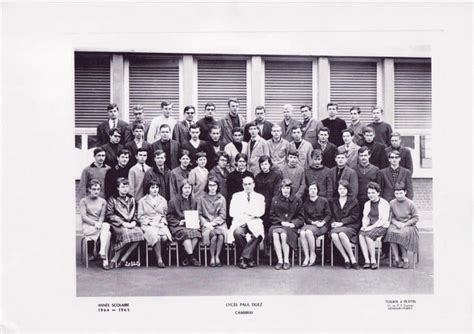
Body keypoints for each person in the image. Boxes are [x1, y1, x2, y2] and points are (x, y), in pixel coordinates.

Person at [228, 176, 265, 269]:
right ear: (242, 185)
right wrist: (246, 217)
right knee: (237, 232)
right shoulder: (236, 196)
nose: (247, 186)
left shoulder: (259, 197)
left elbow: (260, 212)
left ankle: (243, 258)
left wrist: (247, 215)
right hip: (240, 222)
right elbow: (232, 212)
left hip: (254, 222)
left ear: (254, 185)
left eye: (249, 184)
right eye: (245, 184)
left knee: (259, 235)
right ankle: (249, 258)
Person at [107, 178, 144, 269]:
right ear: (118, 188)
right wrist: (123, 223)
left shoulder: (132, 199)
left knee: (140, 233)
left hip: (131, 223)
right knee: (127, 233)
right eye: (123, 187)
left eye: (127, 187)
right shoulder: (112, 199)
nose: (125, 189)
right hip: (118, 225)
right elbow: (110, 214)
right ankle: (115, 258)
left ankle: (124, 258)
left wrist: (134, 222)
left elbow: (136, 212)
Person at [267, 179, 304, 270]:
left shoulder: (297, 200)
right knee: (275, 234)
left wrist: (293, 224)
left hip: (290, 226)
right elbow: (272, 215)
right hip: (278, 224)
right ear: (281, 189)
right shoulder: (275, 199)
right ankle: (280, 260)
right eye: (283, 188)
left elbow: (301, 217)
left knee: (284, 235)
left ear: (291, 189)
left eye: (287, 188)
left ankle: (286, 260)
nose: (285, 190)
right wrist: (281, 222)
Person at [384, 182, 420, 269]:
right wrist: (396, 223)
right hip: (396, 223)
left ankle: (405, 258)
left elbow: (415, 218)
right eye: (396, 193)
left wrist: (404, 224)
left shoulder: (410, 203)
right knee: (390, 232)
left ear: (405, 192)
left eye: (401, 193)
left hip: (409, 225)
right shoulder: (392, 203)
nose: (399, 195)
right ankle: (397, 258)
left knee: (401, 234)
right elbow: (390, 217)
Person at [166, 179, 201, 266]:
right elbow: (169, 216)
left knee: (197, 233)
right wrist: (179, 222)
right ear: (181, 188)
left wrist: (194, 221)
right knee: (186, 233)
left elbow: (196, 214)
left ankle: (186, 257)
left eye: (189, 188)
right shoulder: (173, 201)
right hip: (178, 226)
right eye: (185, 188)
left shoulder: (194, 201)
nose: (187, 190)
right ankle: (191, 257)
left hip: (190, 225)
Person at [137, 180, 172, 268]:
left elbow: (165, 214)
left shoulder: (163, 200)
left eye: (157, 188)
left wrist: (162, 222)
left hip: (160, 223)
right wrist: (150, 223)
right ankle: (159, 260)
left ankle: (160, 256)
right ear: (148, 189)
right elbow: (140, 217)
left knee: (164, 237)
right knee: (156, 236)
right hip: (148, 224)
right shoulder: (142, 201)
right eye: (152, 188)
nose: (155, 190)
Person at [79, 179, 112, 270]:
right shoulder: (83, 201)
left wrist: (99, 223)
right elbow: (83, 217)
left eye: (98, 189)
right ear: (89, 189)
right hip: (88, 226)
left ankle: (102, 253)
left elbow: (102, 216)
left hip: (99, 226)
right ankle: (105, 261)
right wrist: (95, 223)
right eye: (94, 189)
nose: (96, 191)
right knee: (107, 232)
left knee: (106, 227)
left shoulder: (103, 201)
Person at [197, 177, 228, 267]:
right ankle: (212, 257)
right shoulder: (202, 199)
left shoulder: (221, 198)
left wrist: (213, 223)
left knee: (221, 236)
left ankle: (217, 256)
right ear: (207, 186)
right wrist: (206, 223)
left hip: (219, 223)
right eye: (210, 185)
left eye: (214, 185)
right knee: (214, 236)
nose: (212, 187)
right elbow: (199, 214)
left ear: (217, 186)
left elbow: (223, 215)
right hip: (206, 224)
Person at [329, 180, 360, 269]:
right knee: (334, 235)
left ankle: (353, 259)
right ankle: (346, 258)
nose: (342, 191)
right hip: (336, 226)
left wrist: (341, 223)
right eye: (340, 189)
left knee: (342, 234)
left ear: (347, 190)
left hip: (350, 226)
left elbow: (354, 217)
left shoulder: (354, 201)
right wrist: (333, 223)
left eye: (344, 189)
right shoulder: (333, 201)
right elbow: (330, 215)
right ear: (337, 190)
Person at [359, 181, 390, 269]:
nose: (371, 195)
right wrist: (364, 226)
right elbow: (365, 217)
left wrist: (370, 228)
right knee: (361, 234)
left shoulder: (384, 203)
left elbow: (383, 220)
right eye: (369, 193)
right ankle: (367, 260)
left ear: (378, 193)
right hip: (370, 226)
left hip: (381, 226)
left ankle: (373, 260)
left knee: (368, 236)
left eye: (373, 193)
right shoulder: (367, 204)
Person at [300, 182, 332, 266]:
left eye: (314, 189)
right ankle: (307, 256)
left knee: (308, 232)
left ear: (317, 190)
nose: (313, 191)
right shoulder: (306, 203)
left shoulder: (324, 200)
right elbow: (305, 217)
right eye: (311, 189)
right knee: (302, 233)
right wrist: (312, 222)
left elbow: (329, 214)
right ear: (308, 191)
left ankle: (313, 254)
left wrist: (323, 222)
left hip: (323, 225)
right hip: (311, 224)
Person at [254, 155, 282, 232]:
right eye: (262, 164)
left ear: (270, 164)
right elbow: (255, 193)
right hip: (260, 206)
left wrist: (272, 203)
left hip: (271, 205)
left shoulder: (275, 176)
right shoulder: (257, 177)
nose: (264, 166)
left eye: (266, 164)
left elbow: (277, 192)